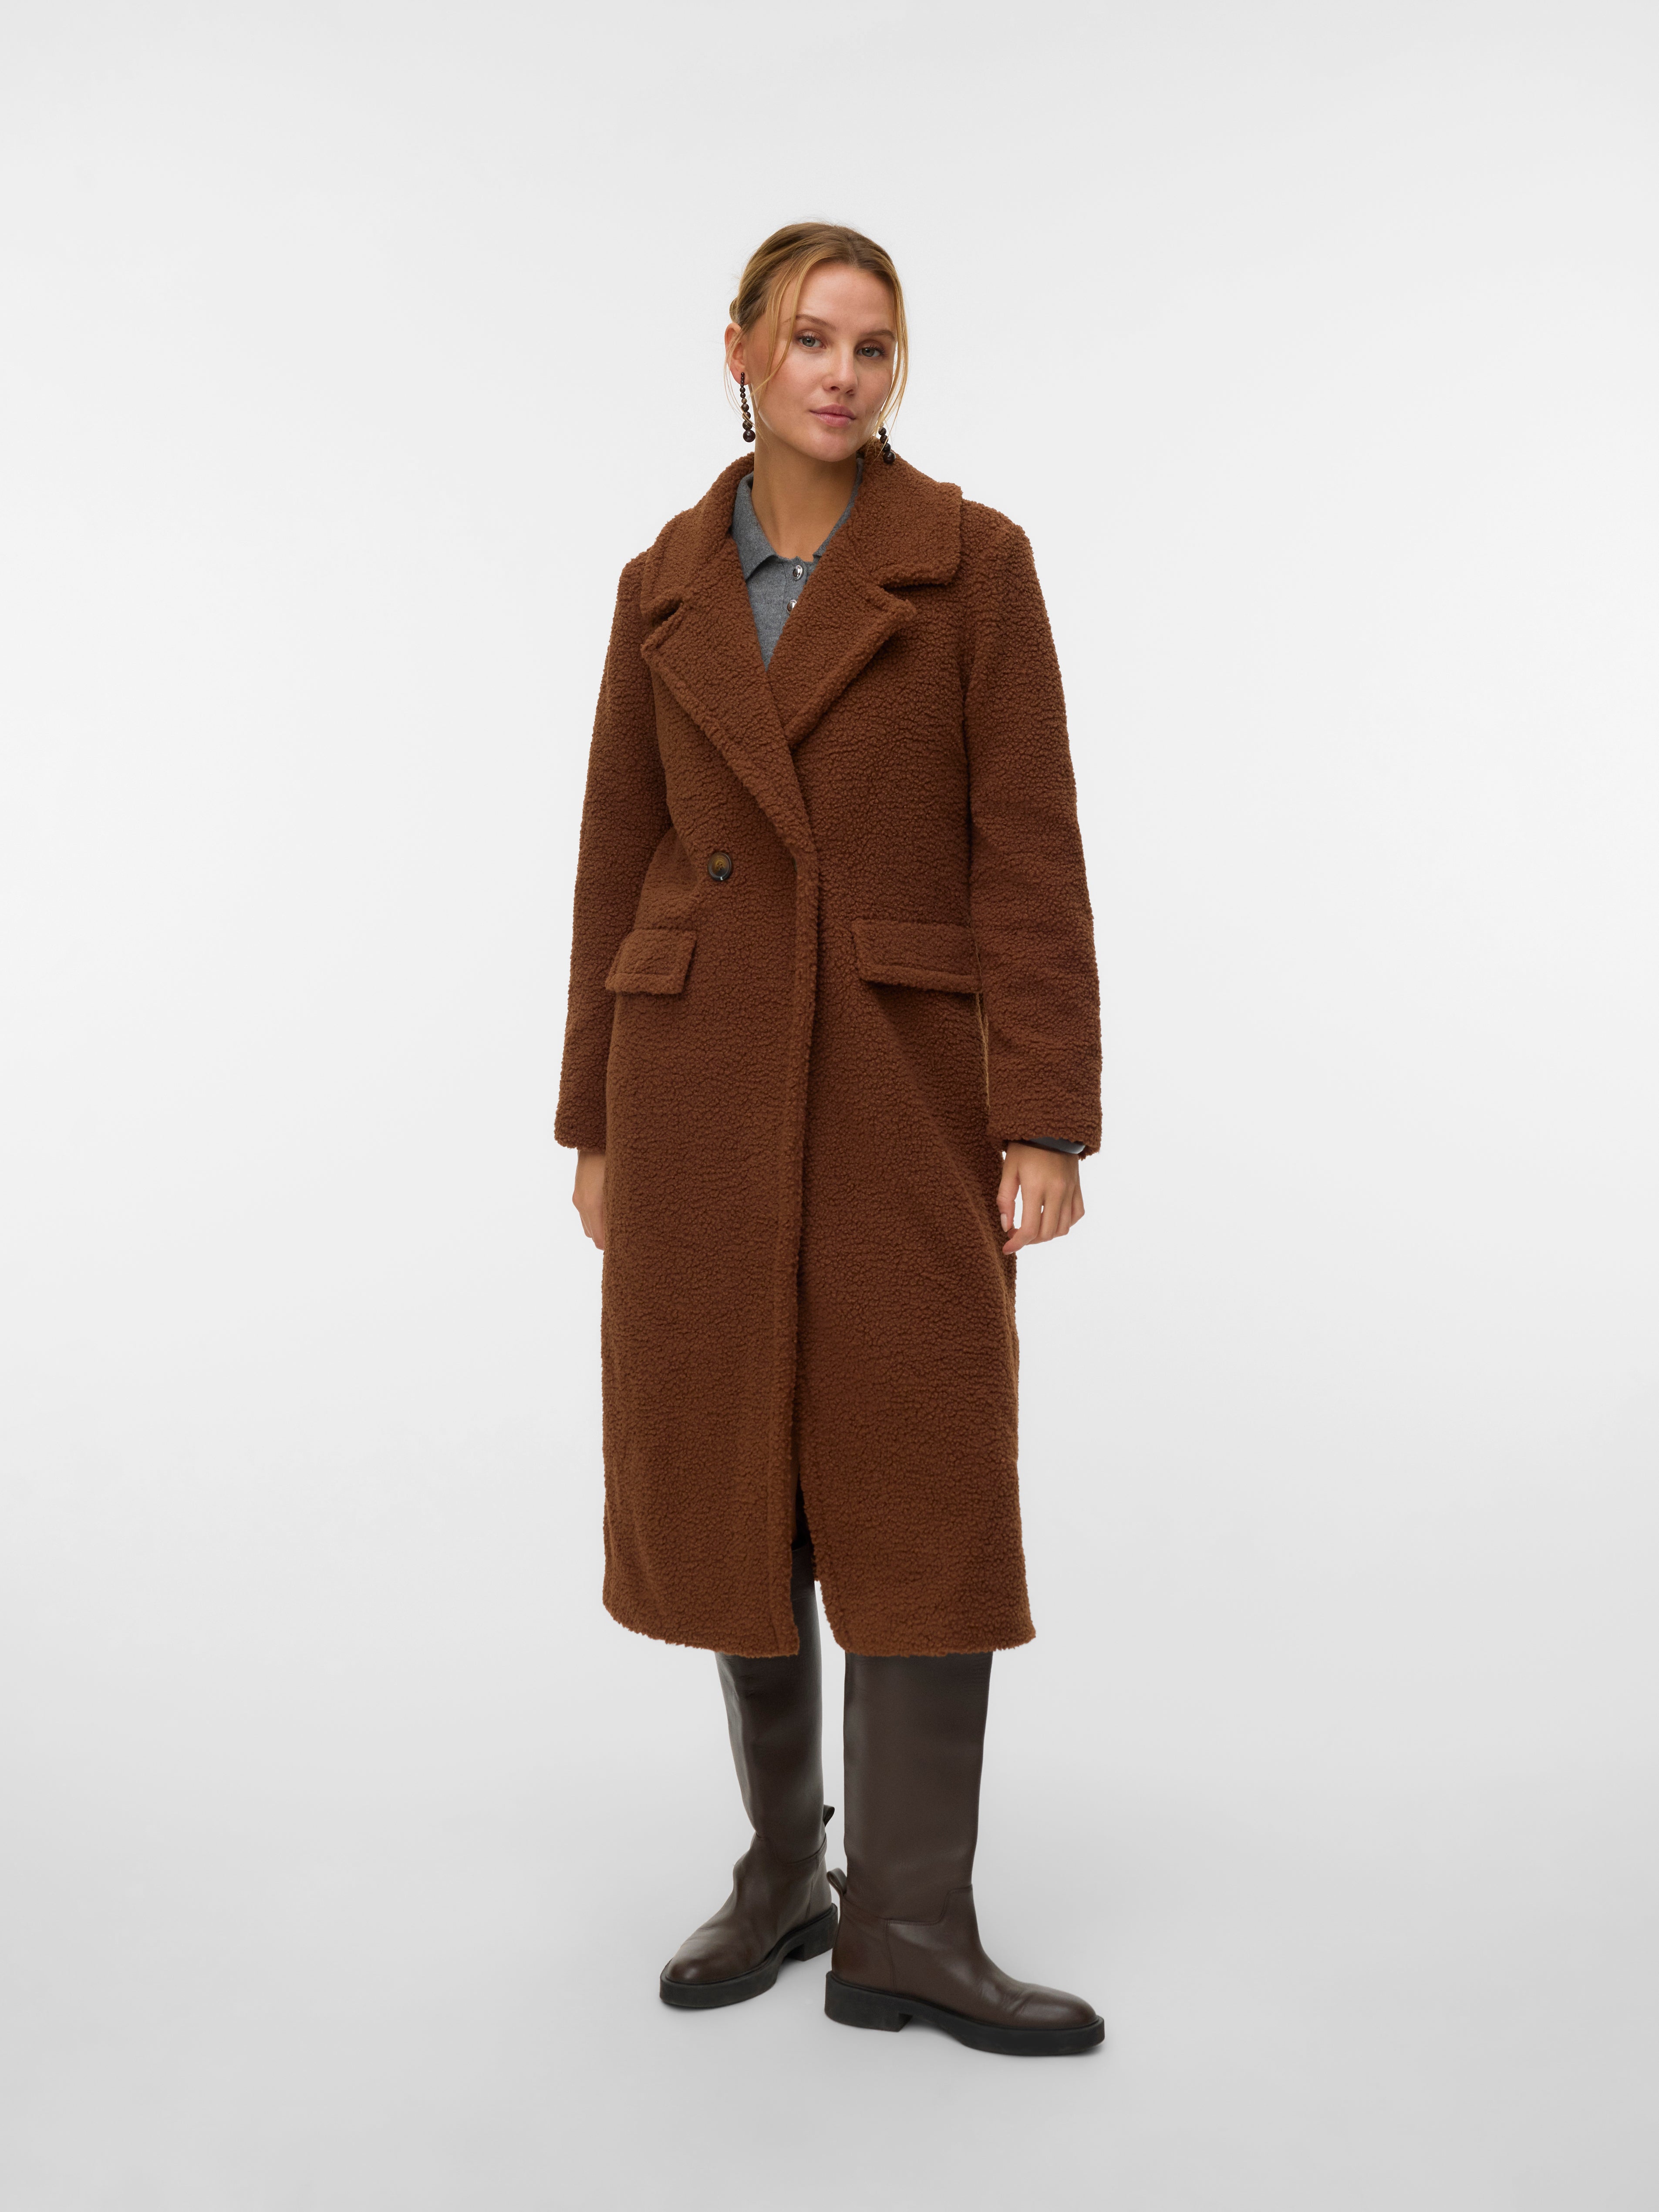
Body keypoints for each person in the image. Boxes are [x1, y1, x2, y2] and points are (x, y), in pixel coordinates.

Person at [555, 222, 1104, 2057]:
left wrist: (1040, 1113)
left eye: (873, 346)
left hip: (895, 1072)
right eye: (809, 338)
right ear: (738, 351)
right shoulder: (659, 584)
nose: (843, 376)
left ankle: (912, 1921)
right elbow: (614, 855)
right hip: (697, 1075)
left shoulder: (971, 562)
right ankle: (785, 1867)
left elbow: (1027, 846)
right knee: (736, 1466)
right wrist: (593, 1117)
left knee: (918, 1462)